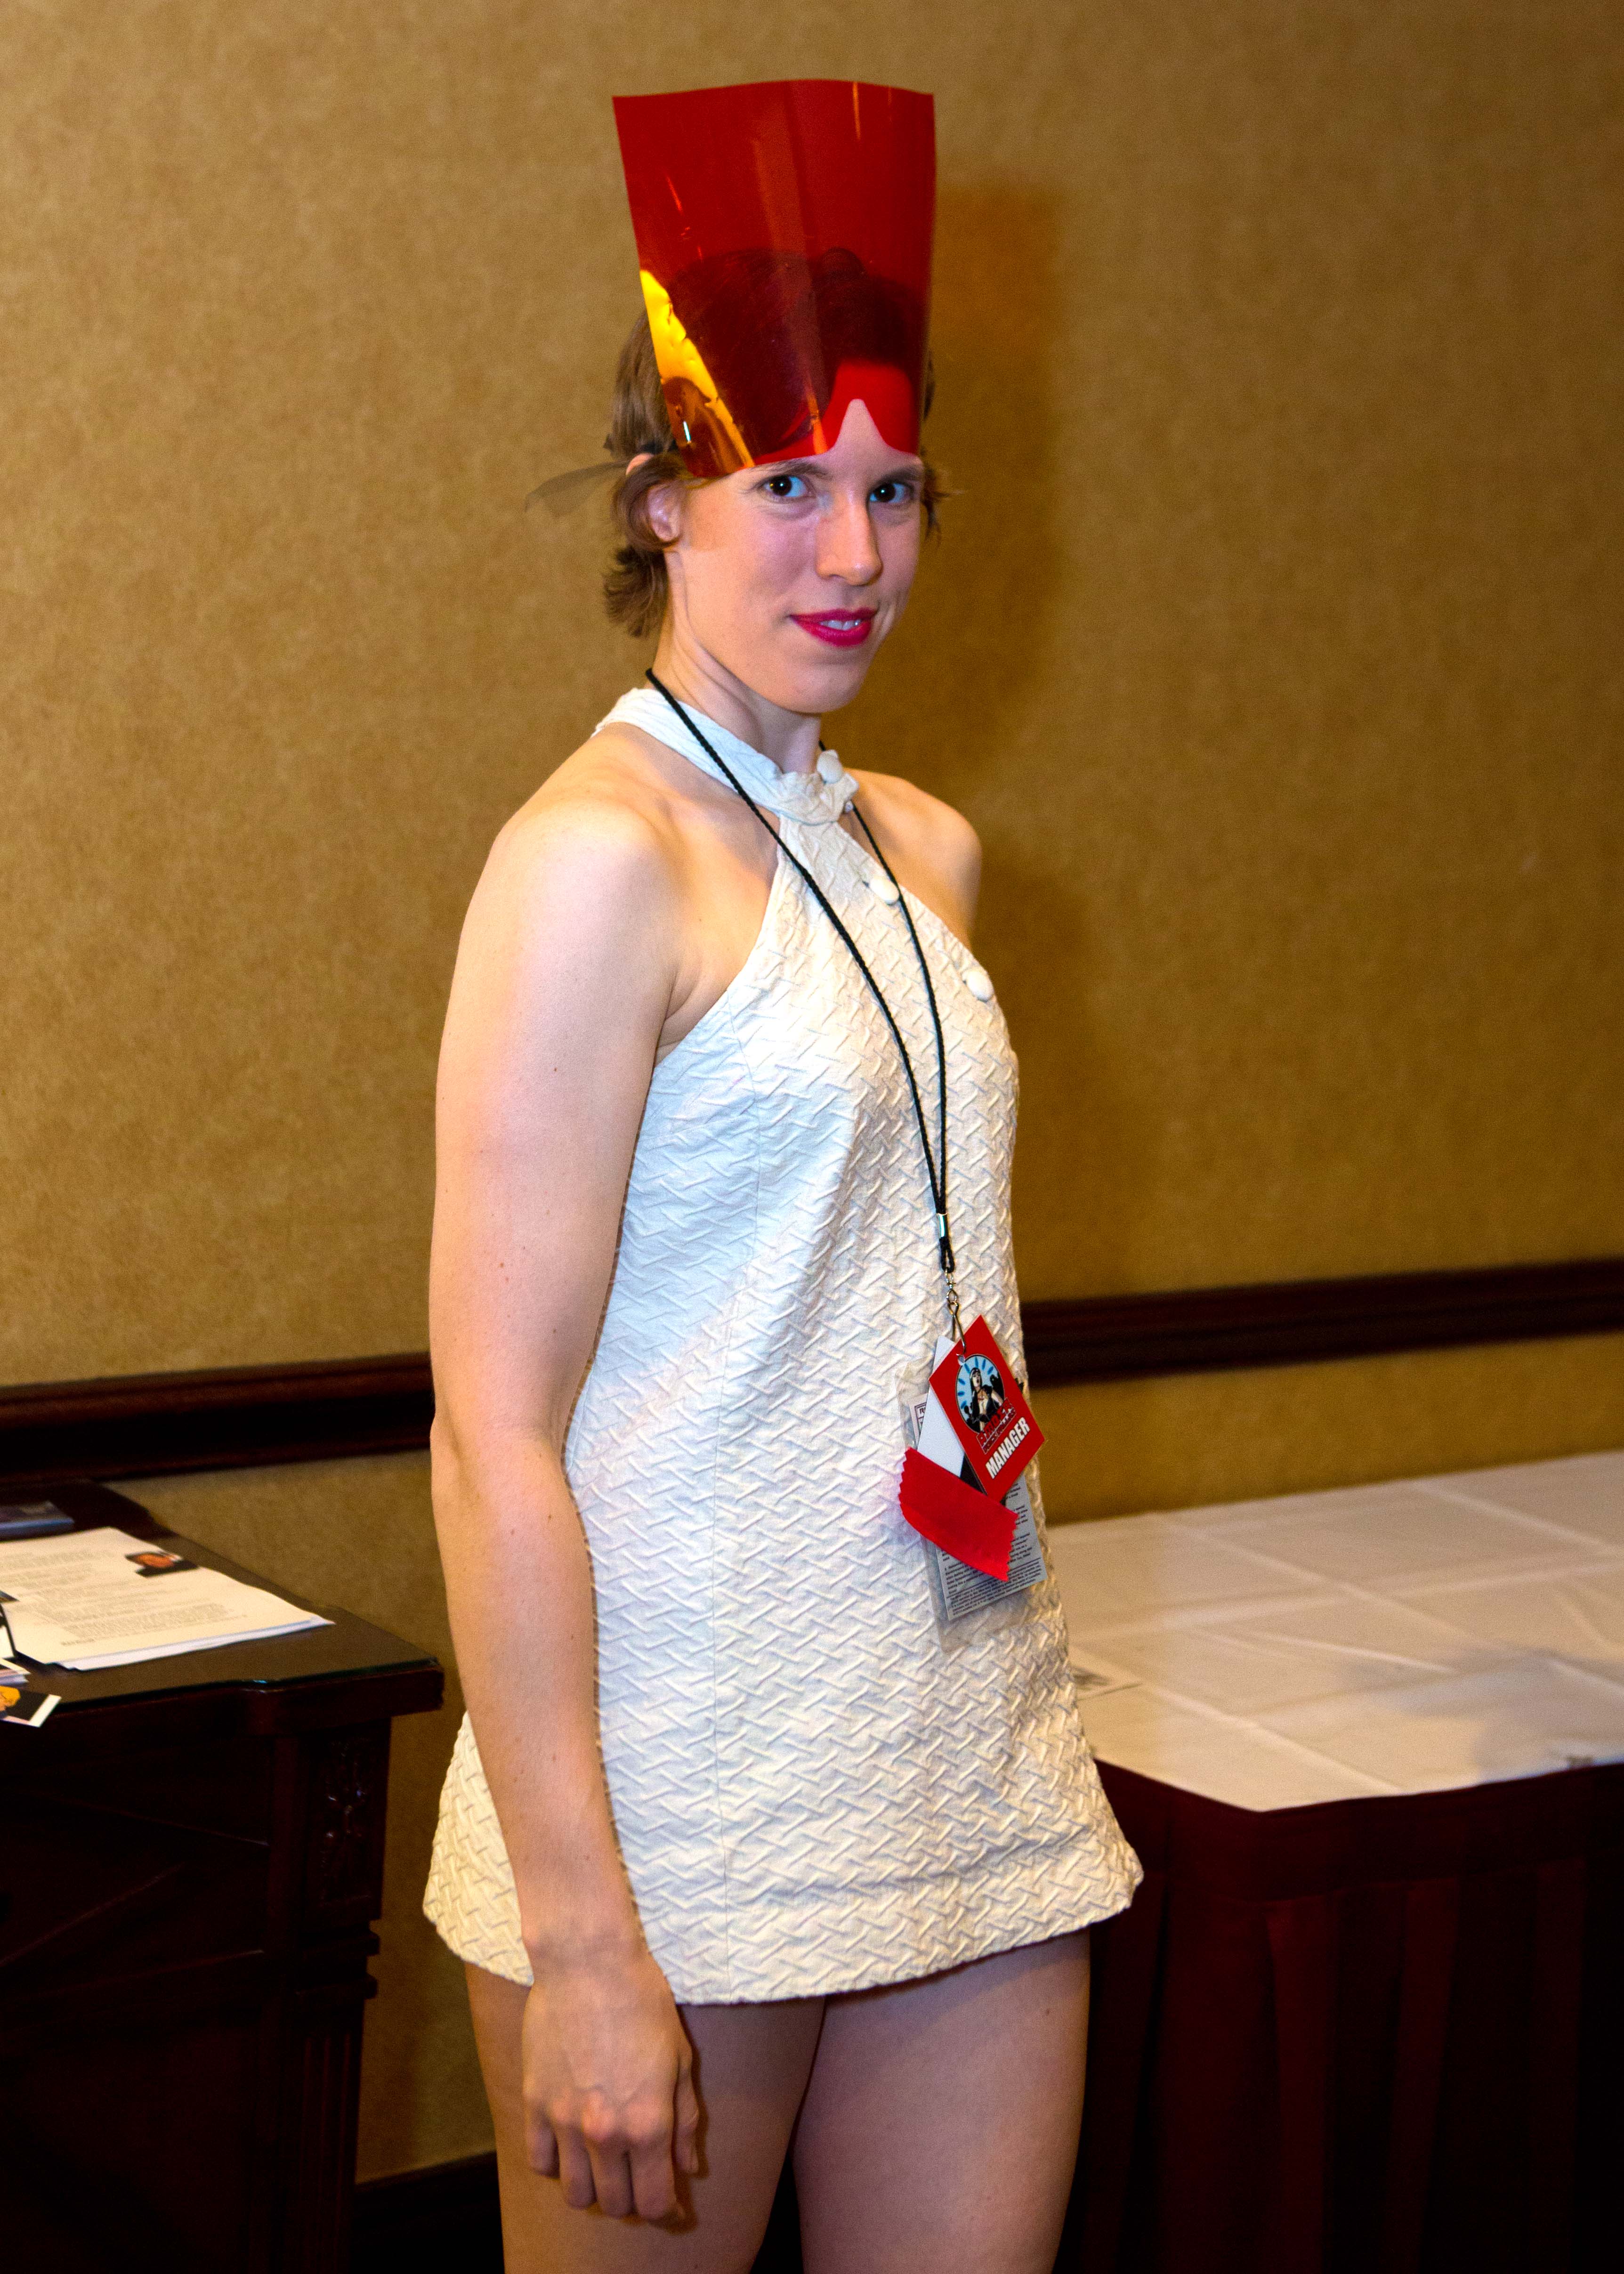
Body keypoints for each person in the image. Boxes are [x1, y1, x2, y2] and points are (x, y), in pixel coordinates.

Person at [424, 78, 1139, 2274]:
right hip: (684, 1797)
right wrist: (585, 1937)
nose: (854, 555)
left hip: (959, 1746)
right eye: (787, 486)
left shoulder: (917, 849)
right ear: (659, 502)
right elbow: (488, 1427)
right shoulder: (593, 859)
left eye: (891, 487)